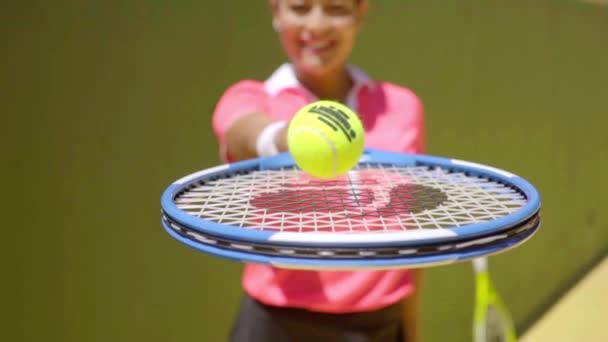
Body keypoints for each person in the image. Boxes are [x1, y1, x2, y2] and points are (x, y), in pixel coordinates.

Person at [211, 1, 426, 341]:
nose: (317, 24)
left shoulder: (401, 107)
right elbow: (242, 131)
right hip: (276, 324)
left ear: (361, 13)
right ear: (276, 12)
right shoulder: (252, 98)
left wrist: (412, 333)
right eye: (299, 7)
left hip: (379, 323)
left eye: (336, 8)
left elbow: (409, 243)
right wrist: (287, 139)